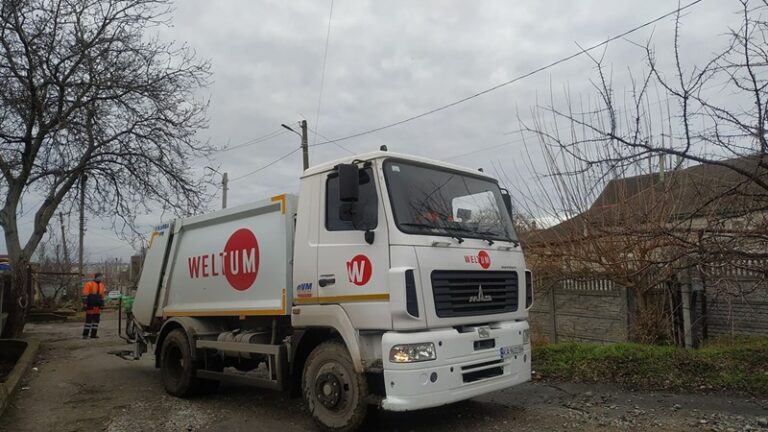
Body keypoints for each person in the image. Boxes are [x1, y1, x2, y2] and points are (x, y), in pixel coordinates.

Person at [81, 273, 106, 339]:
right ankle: (85, 335)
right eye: (100, 277)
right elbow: (85, 295)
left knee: (96, 321)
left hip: (97, 306)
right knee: (88, 321)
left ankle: (93, 334)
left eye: (101, 277)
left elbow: (102, 296)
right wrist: (85, 304)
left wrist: (102, 304)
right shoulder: (89, 284)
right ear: (96, 277)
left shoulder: (102, 285)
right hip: (90, 305)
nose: (101, 278)